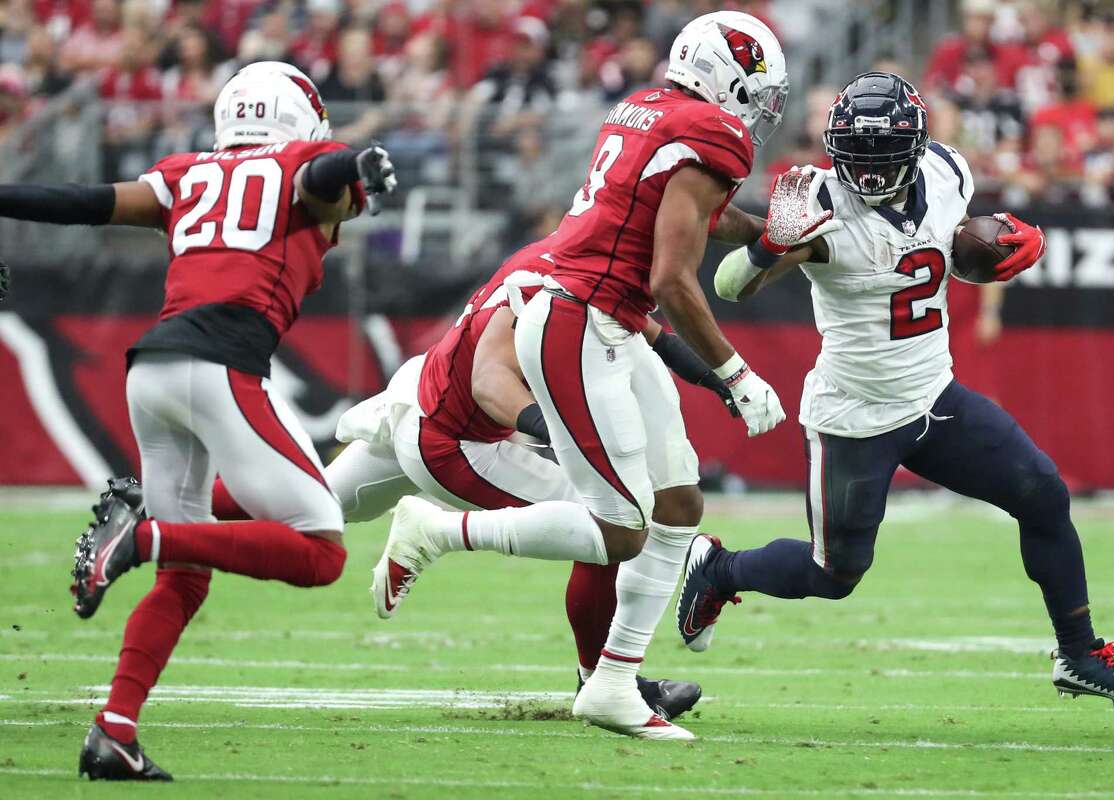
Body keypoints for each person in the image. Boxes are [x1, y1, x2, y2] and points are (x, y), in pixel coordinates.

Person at [381, 10, 818, 740]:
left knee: (678, 503)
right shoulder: (711, 133)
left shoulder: (648, 109)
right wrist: (736, 373)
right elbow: (675, 279)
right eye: (754, 89)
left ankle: (613, 682)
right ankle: (440, 530)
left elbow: (685, 214)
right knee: (622, 529)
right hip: (582, 321)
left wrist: (764, 232)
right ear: (723, 76)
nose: (758, 107)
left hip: (605, 317)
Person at [679, 71, 1114, 709]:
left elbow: (945, 249)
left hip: (934, 396)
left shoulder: (947, 172)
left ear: (916, 145)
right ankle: (720, 569)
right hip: (854, 415)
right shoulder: (817, 204)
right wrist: (773, 242)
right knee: (835, 575)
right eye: (862, 158)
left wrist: (986, 255)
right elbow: (731, 288)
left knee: (1043, 494)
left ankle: (1078, 653)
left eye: (886, 158)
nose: (874, 174)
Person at [0, 61, 396, 780]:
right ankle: (142, 530)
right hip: (223, 364)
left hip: (151, 370)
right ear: (298, 117)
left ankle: (114, 732)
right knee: (322, 549)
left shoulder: (187, 174)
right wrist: (354, 160)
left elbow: (84, 202)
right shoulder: (308, 165)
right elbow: (316, 181)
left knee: (186, 572)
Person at [176, 238, 734, 722]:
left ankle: (152, 504)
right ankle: (603, 683)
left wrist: (726, 380)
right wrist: (559, 431)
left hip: (420, 395)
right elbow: (493, 380)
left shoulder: (581, 263)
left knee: (315, 504)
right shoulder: (552, 289)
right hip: (454, 438)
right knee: (607, 526)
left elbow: (653, 333)